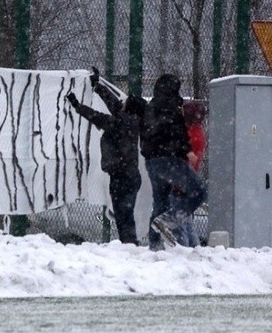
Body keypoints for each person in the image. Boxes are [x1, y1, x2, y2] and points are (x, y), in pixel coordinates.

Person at [66, 67, 147, 245]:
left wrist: (77, 106)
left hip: (121, 177)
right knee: (126, 216)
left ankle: (129, 246)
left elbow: (98, 117)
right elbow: (114, 104)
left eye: (126, 102)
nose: (122, 103)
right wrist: (98, 85)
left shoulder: (120, 123)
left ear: (129, 108)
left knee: (122, 216)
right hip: (131, 176)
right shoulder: (132, 121)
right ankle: (130, 245)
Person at [133, 74, 207, 250]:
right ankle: (168, 220)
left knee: (160, 203)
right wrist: (186, 150)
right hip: (170, 160)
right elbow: (175, 130)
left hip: (152, 162)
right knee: (198, 191)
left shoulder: (151, 107)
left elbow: (149, 133)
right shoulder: (172, 106)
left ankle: (155, 246)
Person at [172, 101, 207, 247]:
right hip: (187, 180)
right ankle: (195, 247)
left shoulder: (190, 134)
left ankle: (185, 249)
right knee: (185, 219)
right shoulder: (198, 132)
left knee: (179, 222)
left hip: (180, 181)